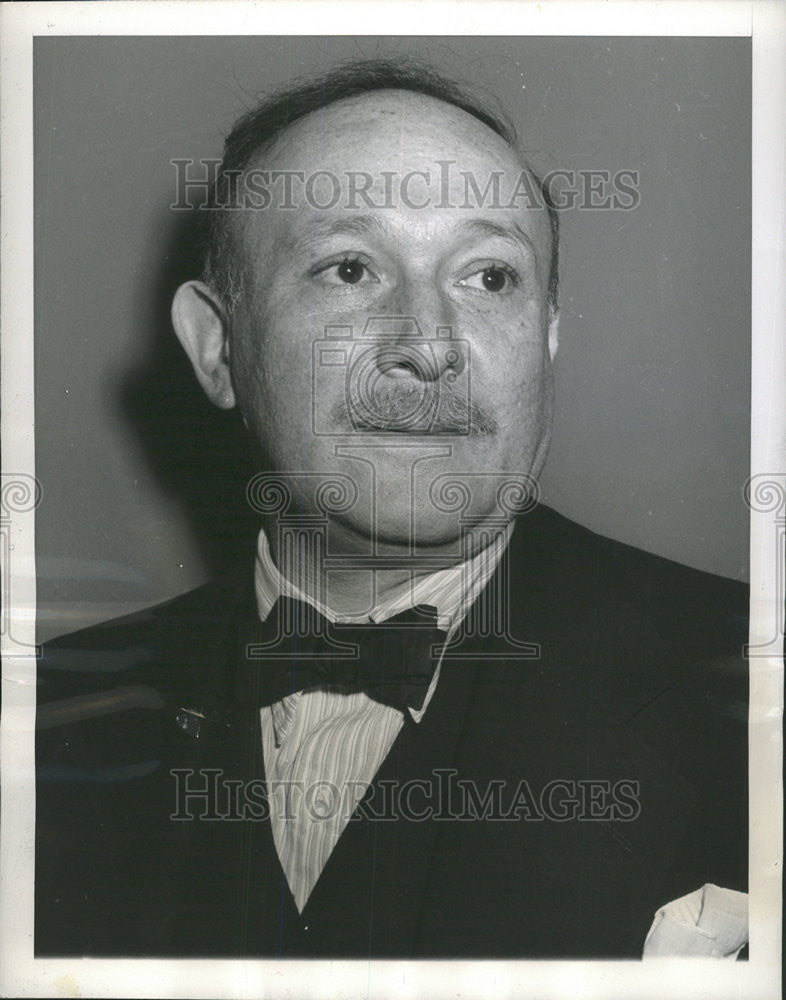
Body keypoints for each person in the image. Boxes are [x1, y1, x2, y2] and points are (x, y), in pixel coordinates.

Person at [35, 59, 748, 959]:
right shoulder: (49, 714)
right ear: (218, 349)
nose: (430, 344)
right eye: (349, 268)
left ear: (549, 337)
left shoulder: (753, 685)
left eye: (489, 278)